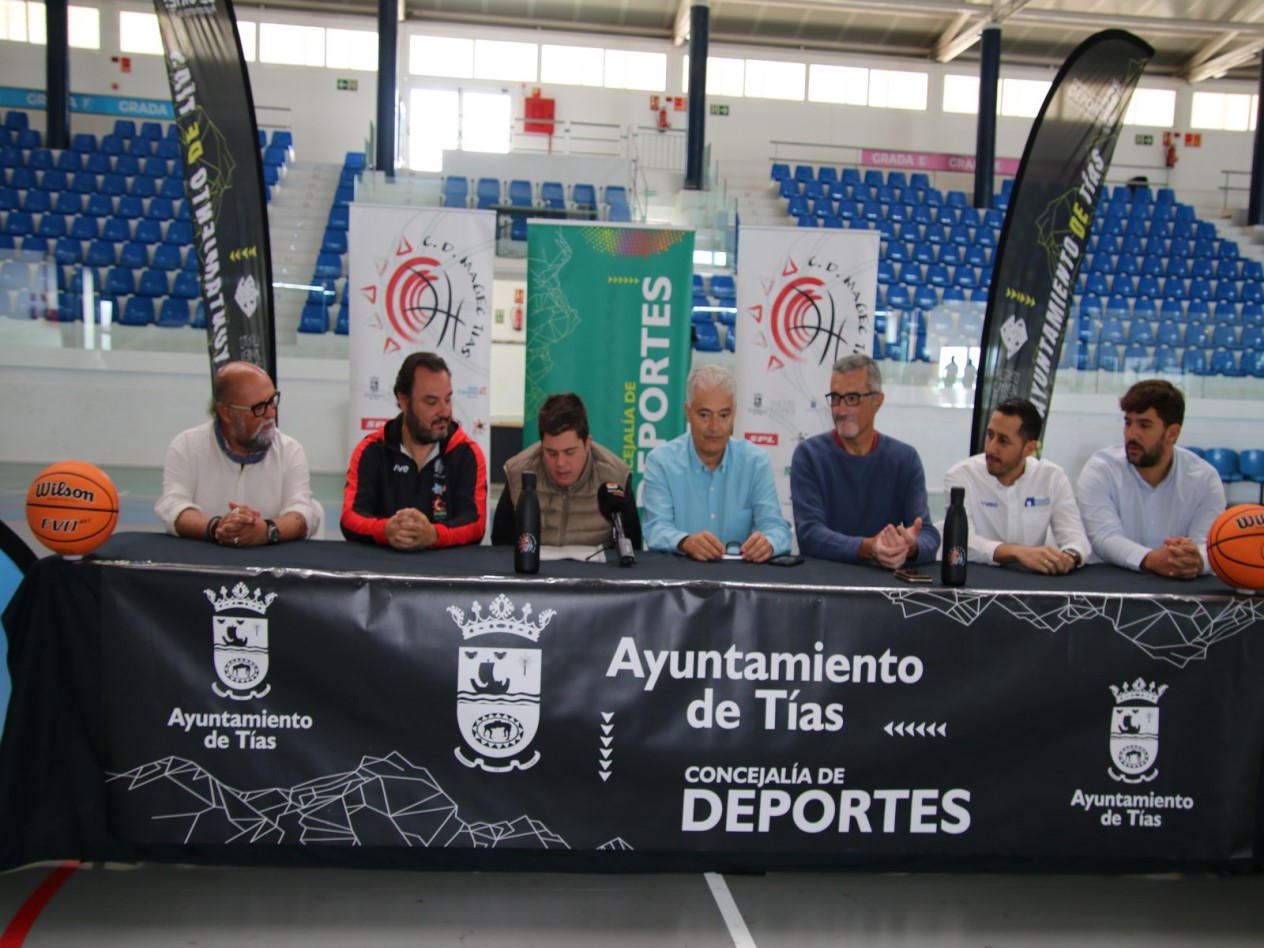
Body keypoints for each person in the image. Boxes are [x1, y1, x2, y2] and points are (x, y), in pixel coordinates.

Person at [791, 353, 939, 567]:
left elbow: (927, 534)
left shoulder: (905, 459)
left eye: (852, 399)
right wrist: (869, 548)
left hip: (885, 589)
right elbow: (810, 534)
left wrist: (909, 546)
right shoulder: (809, 455)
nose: (841, 410)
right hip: (823, 586)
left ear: (877, 401)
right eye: (835, 398)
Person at [155, 361, 321, 546]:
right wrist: (216, 527)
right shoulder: (186, 446)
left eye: (272, 401)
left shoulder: (291, 451)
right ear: (227, 413)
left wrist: (266, 531)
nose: (271, 413)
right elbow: (173, 507)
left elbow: (303, 512)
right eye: (259, 407)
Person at [1076, 379, 1225, 578]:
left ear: (1172, 434)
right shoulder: (1101, 470)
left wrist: (1196, 559)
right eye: (1128, 422)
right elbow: (1105, 538)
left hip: (1182, 589)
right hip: (1111, 589)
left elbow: (1208, 545)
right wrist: (1152, 560)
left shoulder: (1204, 479)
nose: (1131, 434)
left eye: (1144, 425)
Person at [642, 364, 790, 562]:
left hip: (741, 585)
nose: (714, 427)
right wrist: (685, 542)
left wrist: (768, 543)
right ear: (688, 411)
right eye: (704, 415)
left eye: (723, 415)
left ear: (734, 414)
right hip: (680, 584)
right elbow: (656, 529)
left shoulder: (756, 463)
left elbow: (777, 529)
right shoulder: (660, 462)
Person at [342, 352, 487, 549]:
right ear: (403, 400)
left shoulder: (467, 454)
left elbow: (475, 523)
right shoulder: (371, 450)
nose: (444, 411)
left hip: (446, 574)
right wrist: (385, 530)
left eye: (447, 399)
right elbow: (351, 517)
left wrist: (434, 535)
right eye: (431, 402)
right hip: (382, 572)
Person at [943, 398, 1090, 573]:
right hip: (974, 580)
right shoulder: (962, 476)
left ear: (1029, 448)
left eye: (1003, 440)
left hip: (1032, 583)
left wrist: (1069, 557)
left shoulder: (1052, 477)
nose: (991, 448)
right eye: (990, 435)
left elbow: (1077, 539)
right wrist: (1016, 552)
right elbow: (962, 543)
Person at [491, 393, 641, 549]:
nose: (560, 463)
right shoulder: (518, 473)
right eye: (551, 453)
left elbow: (632, 548)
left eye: (570, 452)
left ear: (587, 443)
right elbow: (501, 547)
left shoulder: (615, 476)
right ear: (541, 444)